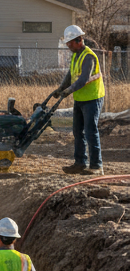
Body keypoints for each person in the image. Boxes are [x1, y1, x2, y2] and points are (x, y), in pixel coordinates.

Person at [50, 24, 105, 176]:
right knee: (77, 131)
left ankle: (96, 166)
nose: (68, 46)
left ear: (79, 40)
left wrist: (67, 91)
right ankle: (80, 163)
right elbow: (70, 75)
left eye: (70, 43)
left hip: (93, 98)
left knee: (90, 131)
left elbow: (83, 80)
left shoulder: (88, 56)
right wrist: (61, 88)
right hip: (80, 98)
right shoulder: (76, 55)